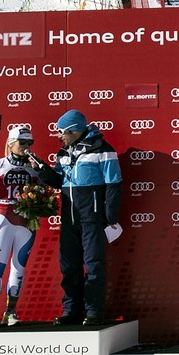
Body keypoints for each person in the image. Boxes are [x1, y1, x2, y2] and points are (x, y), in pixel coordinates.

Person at [0, 124, 58, 327]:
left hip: (26, 221)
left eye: (29, 143)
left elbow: (45, 193)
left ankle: (11, 312)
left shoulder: (34, 166)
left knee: (18, 268)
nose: (26, 147)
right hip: (3, 217)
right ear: (10, 143)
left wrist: (42, 201)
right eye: (21, 142)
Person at [53, 109, 122, 325]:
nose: (59, 136)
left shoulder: (103, 150)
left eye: (62, 131)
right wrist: (45, 173)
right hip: (69, 218)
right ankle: (71, 310)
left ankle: (93, 312)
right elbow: (58, 181)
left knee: (94, 264)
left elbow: (114, 184)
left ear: (74, 131)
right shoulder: (63, 153)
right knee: (69, 265)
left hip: (92, 218)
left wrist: (109, 217)